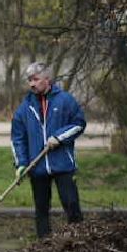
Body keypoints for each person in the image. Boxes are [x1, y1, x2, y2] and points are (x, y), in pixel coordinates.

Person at [11, 61, 86, 238]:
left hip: (63, 164)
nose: (32, 84)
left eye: (35, 79)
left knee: (71, 203)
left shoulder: (65, 100)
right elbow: (17, 138)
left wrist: (59, 137)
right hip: (37, 167)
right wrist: (21, 164)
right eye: (29, 80)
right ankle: (44, 244)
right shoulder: (24, 108)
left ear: (47, 78)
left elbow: (79, 124)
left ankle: (80, 239)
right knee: (41, 208)